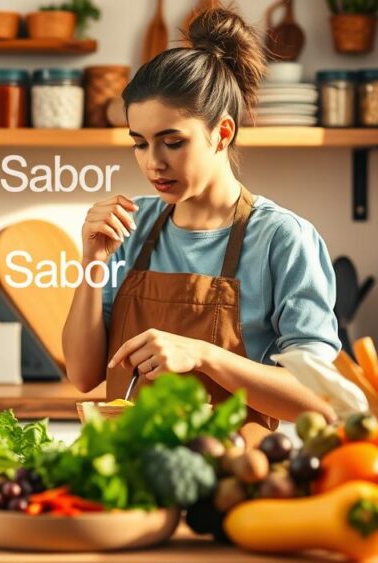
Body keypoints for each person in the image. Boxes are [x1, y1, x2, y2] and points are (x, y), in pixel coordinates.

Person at [62, 8, 338, 443]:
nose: (153, 163)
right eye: (140, 144)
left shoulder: (282, 239)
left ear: (222, 133)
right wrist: (92, 261)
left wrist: (204, 356)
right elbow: (82, 375)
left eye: (172, 142)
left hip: (234, 474)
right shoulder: (131, 225)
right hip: (130, 469)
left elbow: (320, 401)